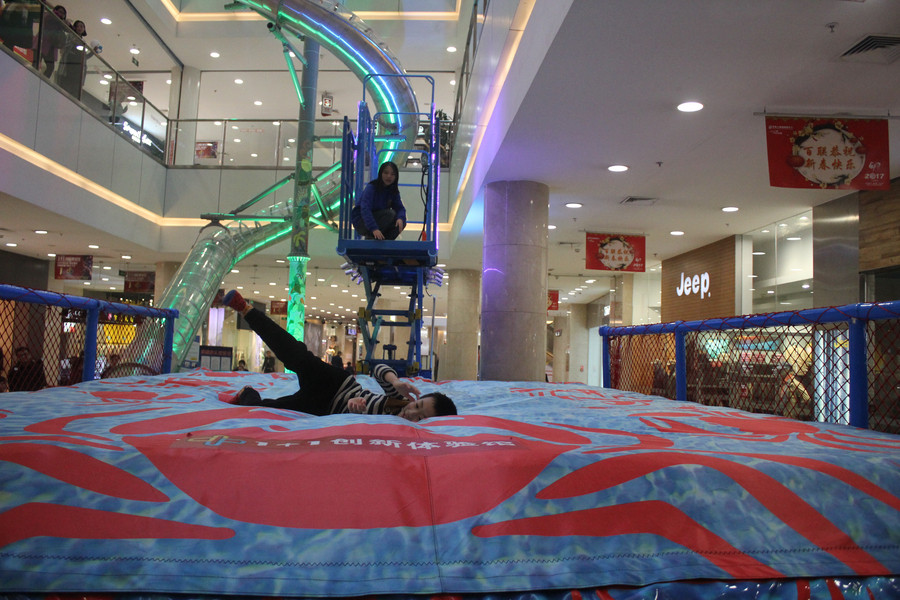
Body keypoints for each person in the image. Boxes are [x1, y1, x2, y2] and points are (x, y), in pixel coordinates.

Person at [222, 290, 456, 421]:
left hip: (323, 409)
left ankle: (247, 393)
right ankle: (246, 310)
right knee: (297, 357)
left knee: (264, 411)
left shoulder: (397, 432)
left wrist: (355, 410)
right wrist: (396, 382)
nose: (411, 411)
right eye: (419, 405)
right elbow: (378, 369)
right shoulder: (400, 401)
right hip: (337, 384)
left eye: (420, 416)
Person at [351, 161, 407, 240]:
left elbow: (400, 208)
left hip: (378, 221)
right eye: (386, 173)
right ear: (380, 174)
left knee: (401, 222)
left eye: (392, 174)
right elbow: (365, 209)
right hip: (362, 222)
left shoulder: (393, 191)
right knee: (390, 214)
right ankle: (372, 237)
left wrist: (400, 218)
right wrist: (374, 228)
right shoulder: (371, 188)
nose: (389, 176)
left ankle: (383, 242)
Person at [35, 3, 67, 77]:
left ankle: (42, 80)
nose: (61, 14)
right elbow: (47, 19)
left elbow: (66, 30)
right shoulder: (49, 16)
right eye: (59, 11)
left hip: (51, 46)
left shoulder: (60, 24)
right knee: (36, 62)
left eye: (63, 13)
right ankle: (34, 76)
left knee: (50, 67)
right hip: (42, 42)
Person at [56, 18, 85, 97]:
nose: (80, 28)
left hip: (77, 69)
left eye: (81, 26)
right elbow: (63, 47)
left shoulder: (83, 42)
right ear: (74, 27)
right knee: (65, 86)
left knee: (73, 89)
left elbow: (84, 57)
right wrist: (73, 40)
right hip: (68, 65)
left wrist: (93, 52)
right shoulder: (70, 36)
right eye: (78, 26)